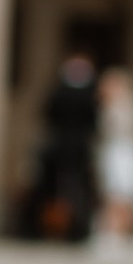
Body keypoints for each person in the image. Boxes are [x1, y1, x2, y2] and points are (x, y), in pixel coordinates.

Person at [36, 52, 99, 241]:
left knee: (71, 188)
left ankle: (70, 226)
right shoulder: (84, 92)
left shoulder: (62, 90)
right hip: (70, 148)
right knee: (63, 188)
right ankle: (61, 226)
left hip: (69, 147)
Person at [93, 66, 133, 252]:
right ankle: (112, 232)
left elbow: (124, 130)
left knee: (122, 194)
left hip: (123, 152)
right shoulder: (110, 104)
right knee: (112, 194)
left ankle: (120, 234)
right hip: (113, 151)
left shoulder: (126, 103)